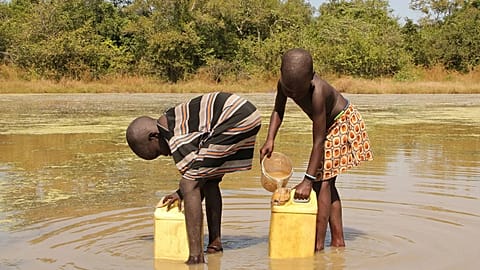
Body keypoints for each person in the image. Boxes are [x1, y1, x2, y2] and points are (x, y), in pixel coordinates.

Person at [126, 92, 261, 264]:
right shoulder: (171, 122)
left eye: (159, 152)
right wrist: (180, 194)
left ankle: (196, 257)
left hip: (234, 116)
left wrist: (184, 190)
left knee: (188, 183)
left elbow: (191, 182)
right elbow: (200, 173)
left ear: (154, 136)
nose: (166, 155)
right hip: (243, 114)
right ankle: (215, 244)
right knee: (209, 181)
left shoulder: (173, 133)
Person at [259, 48, 373, 251]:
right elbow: (278, 109)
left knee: (322, 182)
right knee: (326, 182)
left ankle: (317, 245)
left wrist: (307, 181)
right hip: (328, 127)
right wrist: (270, 139)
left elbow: (319, 141)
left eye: (297, 91)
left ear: (311, 78)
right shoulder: (284, 84)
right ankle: (338, 240)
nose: (292, 94)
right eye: (288, 89)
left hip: (342, 123)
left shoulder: (318, 91)